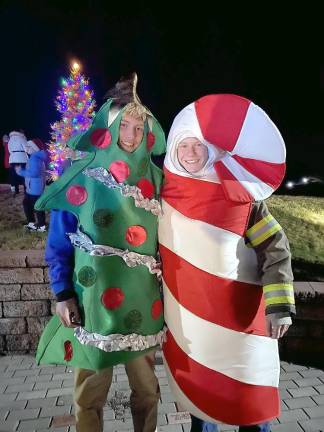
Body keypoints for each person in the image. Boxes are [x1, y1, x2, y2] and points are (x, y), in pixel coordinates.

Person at [34, 73, 167, 432]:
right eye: (125, 125)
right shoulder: (81, 178)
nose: (132, 135)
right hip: (93, 305)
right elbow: (59, 243)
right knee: (89, 396)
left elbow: (172, 240)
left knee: (147, 392)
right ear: (109, 127)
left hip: (142, 304)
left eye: (140, 128)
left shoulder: (158, 182)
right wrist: (62, 294)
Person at [158, 94, 295, 432]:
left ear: (211, 149)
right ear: (173, 147)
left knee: (250, 405)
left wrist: (279, 306)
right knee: (202, 406)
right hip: (192, 327)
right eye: (184, 145)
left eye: (198, 145)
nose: (190, 152)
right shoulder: (161, 195)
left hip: (242, 318)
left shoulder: (241, 194)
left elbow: (275, 247)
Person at [15, 138, 48, 232]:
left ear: (35, 148)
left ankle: (41, 225)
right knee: (28, 204)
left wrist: (20, 171)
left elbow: (34, 173)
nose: (27, 148)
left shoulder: (34, 158)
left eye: (29, 147)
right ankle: (32, 223)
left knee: (36, 206)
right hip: (33, 187)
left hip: (34, 188)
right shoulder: (36, 157)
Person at [7, 130, 28, 195]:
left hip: (13, 159)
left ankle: (16, 190)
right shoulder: (22, 138)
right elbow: (26, 149)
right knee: (24, 174)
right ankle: (26, 189)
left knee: (14, 175)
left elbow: (9, 150)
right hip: (22, 158)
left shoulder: (10, 140)